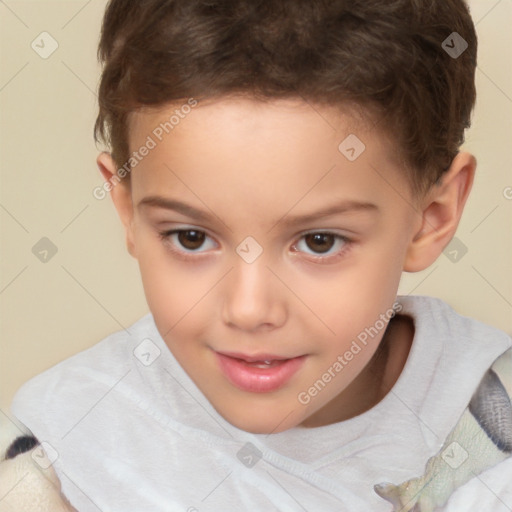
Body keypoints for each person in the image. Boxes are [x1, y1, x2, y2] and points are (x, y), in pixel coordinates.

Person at [7, 0, 512, 510]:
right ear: (128, 211)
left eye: (319, 242)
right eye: (190, 237)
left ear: (432, 215)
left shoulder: (493, 435)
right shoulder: (57, 446)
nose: (249, 309)